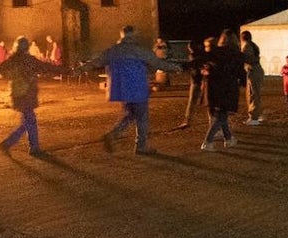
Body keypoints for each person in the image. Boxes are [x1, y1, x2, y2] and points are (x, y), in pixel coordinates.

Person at [75, 25, 182, 155]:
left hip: (122, 90)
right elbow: (158, 63)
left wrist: (80, 69)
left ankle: (113, 135)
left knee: (130, 115)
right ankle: (140, 146)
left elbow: (96, 61)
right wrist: (175, 67)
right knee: (142, 117)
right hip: (138, 88)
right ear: (133, 35)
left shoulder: (114, 50)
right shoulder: (138, 50)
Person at [0, 35, 59, 157]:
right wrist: (69, 71)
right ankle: (21, 145)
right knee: (29, 120)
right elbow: (48, 67)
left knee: (28, 120)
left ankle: (22, 145)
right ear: (27, 47)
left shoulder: (12, 60)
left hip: (17, 95)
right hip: (27, 94)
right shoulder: (30, 60)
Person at [200, 29, 242, 151]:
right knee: (221, 115)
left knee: (220, 114)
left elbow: (205, 64)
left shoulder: (216, 53)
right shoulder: (235, 54)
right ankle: (208, 141)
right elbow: (239, 71)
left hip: (214, 87)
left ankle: (228, 138)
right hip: (228, 87)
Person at [177, 36, 213, 129]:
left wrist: (180, 67)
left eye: (191, 47)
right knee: (200, 101)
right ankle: (189, 120)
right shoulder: (200, 55)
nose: (190, 49)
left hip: (201, 80)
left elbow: (192, 64)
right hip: (198, 80)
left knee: (205, 102)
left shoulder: (199, 56)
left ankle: (190, 120)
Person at [240, 29, 265, 125]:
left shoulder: (246, 47)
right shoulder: (253, 45)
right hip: (257, 70)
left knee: (253, 94)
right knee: (256, 94)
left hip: (253, 71)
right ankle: (258, 114)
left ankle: (254, 117)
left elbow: (246, 59)